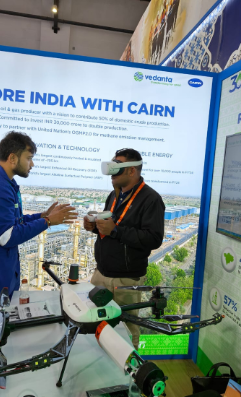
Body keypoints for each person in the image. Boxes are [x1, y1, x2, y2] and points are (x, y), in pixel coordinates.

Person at [0, 131, 76, 396]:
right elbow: (6, 236)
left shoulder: (4, 183)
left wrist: (42, 215)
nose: (31, 164)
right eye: (29, 158)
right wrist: (48, 222)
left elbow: (14, 222)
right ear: (12, 158)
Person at [84, 148, 165, 349]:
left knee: (126, 329)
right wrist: (95, 227)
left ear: (131, 170)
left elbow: (154, 239)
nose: (111, 174)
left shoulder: (151, 199)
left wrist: (116, 230)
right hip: (101, 274)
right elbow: (110, 228)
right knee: (97, 323)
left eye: (117, 168)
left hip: (125, 279)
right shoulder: (114, 195)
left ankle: (129, 368)